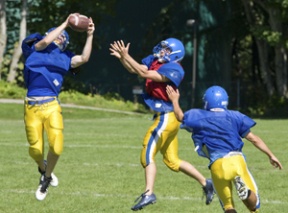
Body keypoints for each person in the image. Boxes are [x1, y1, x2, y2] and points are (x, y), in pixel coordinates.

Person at [109, 38, 214, 211]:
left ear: (175, 54)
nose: (162, 51)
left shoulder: (175, 68)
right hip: (165, 117)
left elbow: (145, 75)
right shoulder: (155, 60)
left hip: (167, 116)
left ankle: (148, 193)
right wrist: (123, 58)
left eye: (166, 49)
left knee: (147, 154)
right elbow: (137, 69)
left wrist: (127, 55)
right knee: (172, 161)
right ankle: (206, 182)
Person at [166, 85, 283, 213]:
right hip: (236, 161)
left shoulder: (198, 115)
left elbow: (180, 116)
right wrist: (271, 155)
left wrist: (175, 100)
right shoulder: (236, 116)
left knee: (228, 207)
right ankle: (245, 192)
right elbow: (254, 138)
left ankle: (241, 194)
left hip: (217, 165)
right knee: (253, 206)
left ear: (206, 101)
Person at [21, 13, 95, 201]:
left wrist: (90, 35)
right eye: (58, 35)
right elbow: (45, 42)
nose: (62, 37)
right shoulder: (35, 48)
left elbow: (84, 58)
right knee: (35, 150)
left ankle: (45, 179)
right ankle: (43, 167)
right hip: (31, 106)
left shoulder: (65, 57)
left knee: (57, 145)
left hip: (51, 104)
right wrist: (65, 24)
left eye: (64, 38)